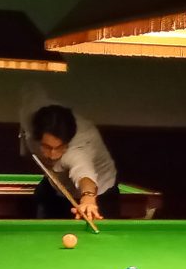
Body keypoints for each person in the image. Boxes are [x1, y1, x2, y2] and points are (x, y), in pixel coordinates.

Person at [20, 86, 119, 222]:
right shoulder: (30, 115)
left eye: (59, 147)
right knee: (42, 197)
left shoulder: (77, 149)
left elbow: (84, 173)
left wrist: (88, 197)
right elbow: (31, 90)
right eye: (47, 147)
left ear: (67, 142)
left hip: (101, 191)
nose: (53, 155)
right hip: (55, 184)